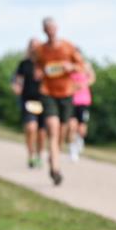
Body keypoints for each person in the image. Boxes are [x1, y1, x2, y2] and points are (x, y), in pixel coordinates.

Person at [35, 17, 85, 185]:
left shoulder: (67, 47)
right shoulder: (40, 50)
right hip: (48, 93)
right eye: (47, 29)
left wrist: (71, 67)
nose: (50, 31)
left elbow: (81, 66)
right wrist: (39, 73)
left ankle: (53, 156)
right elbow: (37, 67)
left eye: (53, 28)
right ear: (44, 31)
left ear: (57, 29)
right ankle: (55, 169)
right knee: (53, 129)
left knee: (62, 133)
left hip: (66, 93)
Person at [12, 39, 47, 169]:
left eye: (37, 46)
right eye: (32, 46)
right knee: (31, 128)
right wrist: (17, 86)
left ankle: (39, 155)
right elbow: (18, 79)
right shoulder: (24, 64)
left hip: (44, 101)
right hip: (28, 101)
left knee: (42, 133)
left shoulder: (44, 63)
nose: (34, 49)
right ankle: (30, 155)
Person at [67, 59, 96, 162]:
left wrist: (84, 83)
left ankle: (80, 140)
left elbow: (92, 78)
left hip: (83, 102)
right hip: (71, 102)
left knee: (82, 128)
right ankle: (72, 150)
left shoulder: (85, 66)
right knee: (71, 126)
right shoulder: (68, 67)